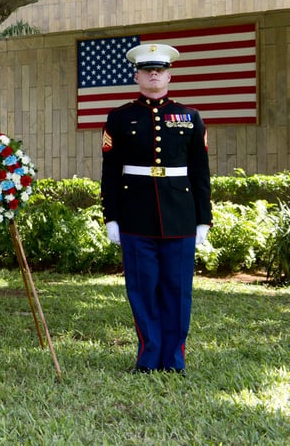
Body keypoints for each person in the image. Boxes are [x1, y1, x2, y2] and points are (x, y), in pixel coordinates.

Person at [101, 43, 212, 374]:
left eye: (160, 70)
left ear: (169, 75)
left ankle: (174, 359)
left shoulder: (190, 118)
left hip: (180, 215)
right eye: (148, 70)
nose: (154, 74)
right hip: (135, 215)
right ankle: (148, 358)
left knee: (177, 290)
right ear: (136, 76)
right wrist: (111, 216)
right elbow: (110, 171)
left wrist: (203, 219)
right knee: (142, 289)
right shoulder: (119, 118)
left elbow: (200, 171)